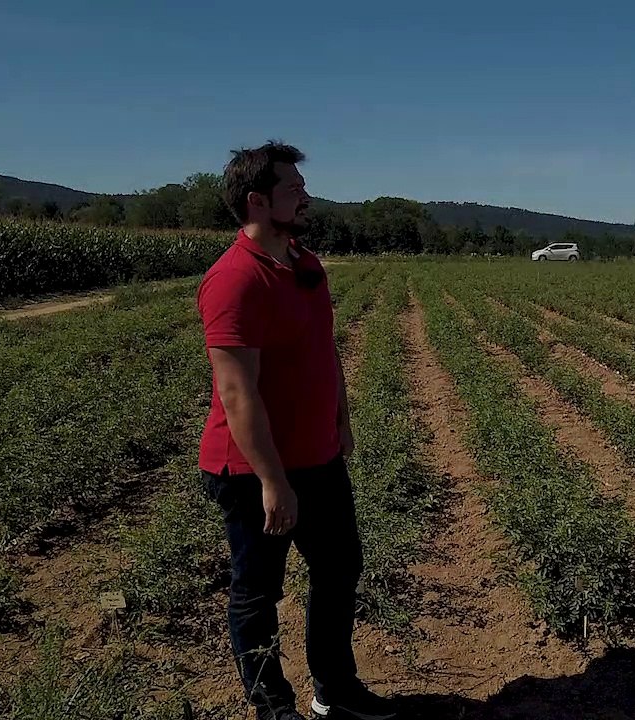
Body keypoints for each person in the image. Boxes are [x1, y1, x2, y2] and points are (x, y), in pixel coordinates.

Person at [196, 141, 396, 720]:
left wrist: (341, 417)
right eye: (293, 189)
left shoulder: (305, 265)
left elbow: (322, 349)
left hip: (319, 457)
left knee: (339, 570)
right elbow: (237, 392)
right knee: (258, 591)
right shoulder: (233, 280)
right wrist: (272, 482)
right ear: (258, 202)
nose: (306, 197)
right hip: (253, 469)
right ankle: (272, 706)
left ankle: (334, 688)